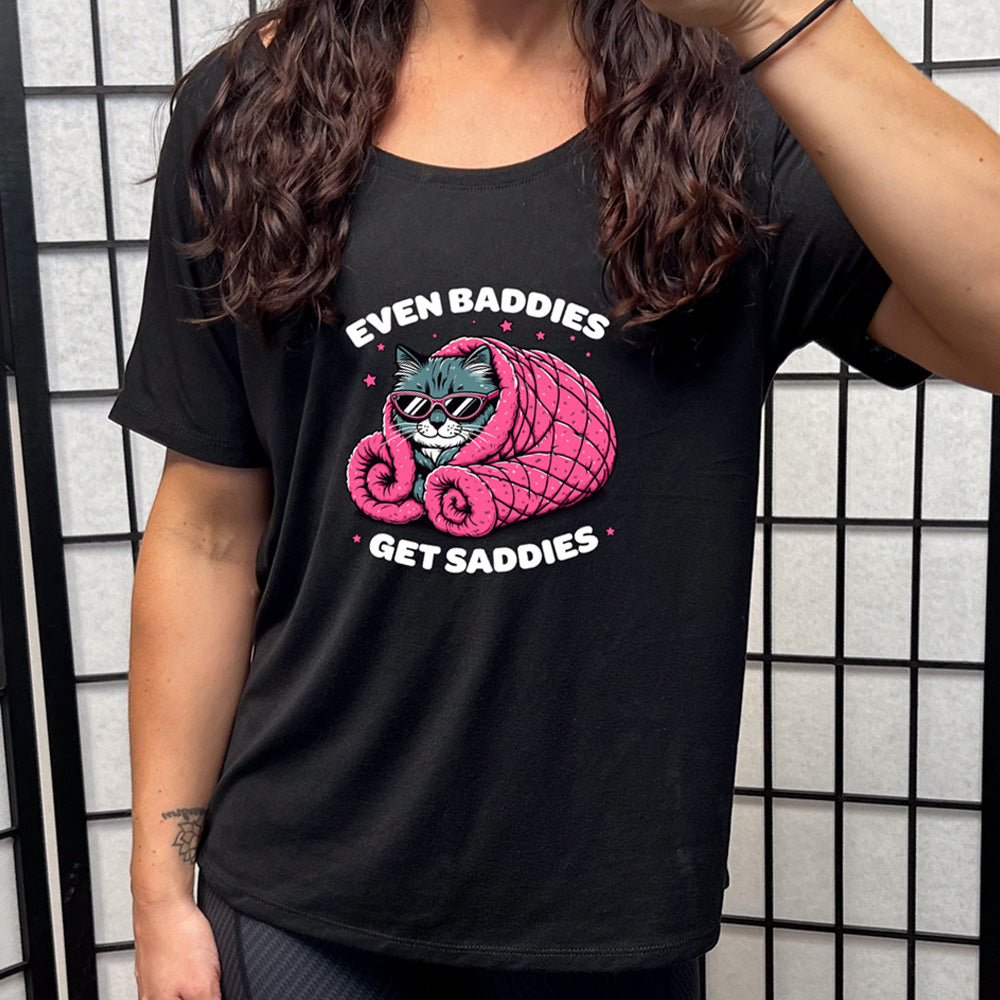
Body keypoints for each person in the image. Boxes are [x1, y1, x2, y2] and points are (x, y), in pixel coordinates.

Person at [108, 0, 1000, 997]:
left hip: (605, 922)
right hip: (300, 898)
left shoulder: (729, 114)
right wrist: (157, 888)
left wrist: (774, 16)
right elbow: (208, 529)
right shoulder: (252, 105)